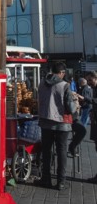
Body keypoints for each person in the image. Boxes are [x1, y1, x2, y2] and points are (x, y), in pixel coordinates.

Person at [37, 61, 78, 190]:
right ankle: (60, 182)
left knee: (47, 152)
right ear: (61, 73)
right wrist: (76, 107)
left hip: (45, 121)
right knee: (61, 153)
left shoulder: (41, 83)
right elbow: (70, 107)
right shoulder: (65, 85)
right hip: (62, 123)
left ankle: (46, 179)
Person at [84, 71, 97, 183]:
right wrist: (92, 110)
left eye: (90, 80)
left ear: (95, 78)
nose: (89, 83)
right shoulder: (93, 89)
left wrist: (85, 98)